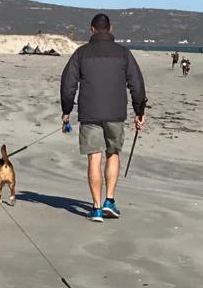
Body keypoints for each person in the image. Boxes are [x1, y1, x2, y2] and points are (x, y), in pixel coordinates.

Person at [60, 13, 146, 222]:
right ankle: (109, 200)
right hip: (115, 112)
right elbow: (137, 84)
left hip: (90, 112)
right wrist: (139, 111)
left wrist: (66, 110)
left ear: (91, 29)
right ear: (110, 29)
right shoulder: (123, 53)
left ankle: (97, 207)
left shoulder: (81, 53)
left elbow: (68, 84)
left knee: (94, 157)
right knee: (113, 154)